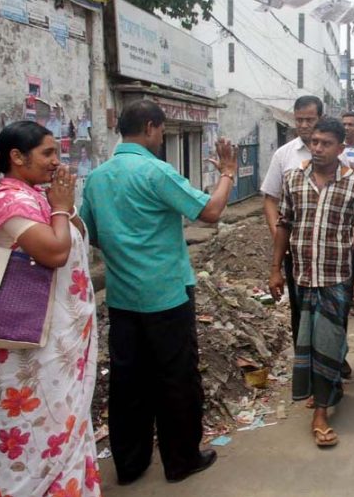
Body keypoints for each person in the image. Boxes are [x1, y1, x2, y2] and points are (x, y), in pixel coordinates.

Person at [81, 100, 237, 484]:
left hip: (121, 297)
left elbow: (89, 233)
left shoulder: (97, 178)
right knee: (175, 379)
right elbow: (211, 212)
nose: (161, 138)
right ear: (151, 127)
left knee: (127, 382)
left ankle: (130, 466)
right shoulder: (155, 171)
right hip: (166, 295)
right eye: (162, 131)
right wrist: (229, 174)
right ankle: (180, 460)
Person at [0, 122, 100, 496]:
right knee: (33, 440)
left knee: (64, 430)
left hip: (54, 349)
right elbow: (55, 252)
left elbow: (75, 234)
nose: (55, 162)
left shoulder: (36, 197)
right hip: (28, 351)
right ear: (17, 157)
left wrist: (65, 206)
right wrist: (59, 208)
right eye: (47, 153)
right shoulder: (8, 203)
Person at [268, 118, 354, 447]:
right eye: (314, 142)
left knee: (328, 340)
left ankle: (321, 413)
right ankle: (326, 387)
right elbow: (283, 224)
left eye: (326, 143)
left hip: (335, 277)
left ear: (341, 148)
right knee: (308, 341)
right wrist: (275, 269)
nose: (317, 148)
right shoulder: (293, 179)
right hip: (302, 277)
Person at [261, 96, 322, 345]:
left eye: (310, 119)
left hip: (329, 250)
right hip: (295, 249)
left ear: (320, 119)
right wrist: (279, 237)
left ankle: (334, 361)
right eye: (299, 120)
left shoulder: (336, 153)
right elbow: (270, 199)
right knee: (300, 308)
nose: (304, 125)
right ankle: (304, 364)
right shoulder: (284, 155)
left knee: (330, 308)